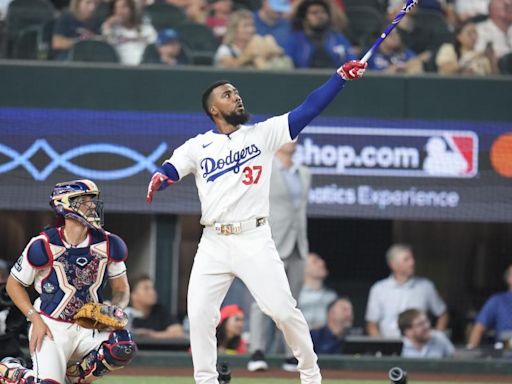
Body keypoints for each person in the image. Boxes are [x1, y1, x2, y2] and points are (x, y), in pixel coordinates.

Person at [146, 55, 367, 383]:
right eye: (227, 94)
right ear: (214, 110)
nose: (236, 95)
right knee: (201, 314)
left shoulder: (262, 134)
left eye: (236, 91)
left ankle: (311, 374)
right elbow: (171, 168)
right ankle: (205, 380)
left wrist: (340, 78)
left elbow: (308, 108)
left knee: (282, 310)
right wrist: (161, 177)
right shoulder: (199, 145)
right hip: (213, 242)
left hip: (254, 238)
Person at [0, 179, 136, 384]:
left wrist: (114, 307)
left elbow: (122, 289)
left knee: (122, 345)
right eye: (83, 200)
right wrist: (34, 319)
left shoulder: (108, 243)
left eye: (92, 200)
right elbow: (13, 284)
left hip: (91, 328)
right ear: (64, 204)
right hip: (51, 327)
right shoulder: (43, 245)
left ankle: (76, 375)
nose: (91, 205)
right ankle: (14, 372)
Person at [248, 141, 311, 372]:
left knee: (292, 302)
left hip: (297, 245)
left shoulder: (304, 173)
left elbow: (299, 211)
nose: (293, 140)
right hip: (269, 242)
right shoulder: (264, 168)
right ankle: (257, 351)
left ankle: (291, 355)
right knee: (260, 300)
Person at [365, 244, 449, 338]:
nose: (412, 262)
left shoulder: (425, 287)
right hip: (390, 345)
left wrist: (435, 339)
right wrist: (381, 347)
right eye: (406, 259)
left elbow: (442, 314)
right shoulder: (379, 289)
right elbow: (371, 324)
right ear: (393, 265)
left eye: (412, 258)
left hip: (420, 348)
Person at [285, 0, 356, 69]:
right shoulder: (294, 40)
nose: (320, 16)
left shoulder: (338, 38)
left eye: (323, 12)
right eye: (314, 13)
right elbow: (287, 66)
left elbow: (351, 61)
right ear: (304, 18)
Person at [467, 265, 512, 349]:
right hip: (505, 356)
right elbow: (478, 329)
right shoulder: (497, 301)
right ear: (509, 279)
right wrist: (470, 352)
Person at [126, 274, 185, 339]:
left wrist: (150, 335)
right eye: (146, 289)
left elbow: (178, 332)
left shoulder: (160, 311)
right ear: (133, 295)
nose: (152, 292)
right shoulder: (125, 315)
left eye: (152, 288)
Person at [102, 0, 157, 65]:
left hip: (143, 68)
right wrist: (108, 24)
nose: (120, 12)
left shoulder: (147, 29)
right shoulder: (112, 29)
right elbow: (107, 47)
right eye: (117, 8)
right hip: (119, 68)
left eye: (124, 7)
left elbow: (154, 49)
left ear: (132, 9)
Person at [298, 253, 338, 331]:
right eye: (315, 262)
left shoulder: (332, 297)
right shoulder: (295, 296)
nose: (322, 263)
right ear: (303, 268)